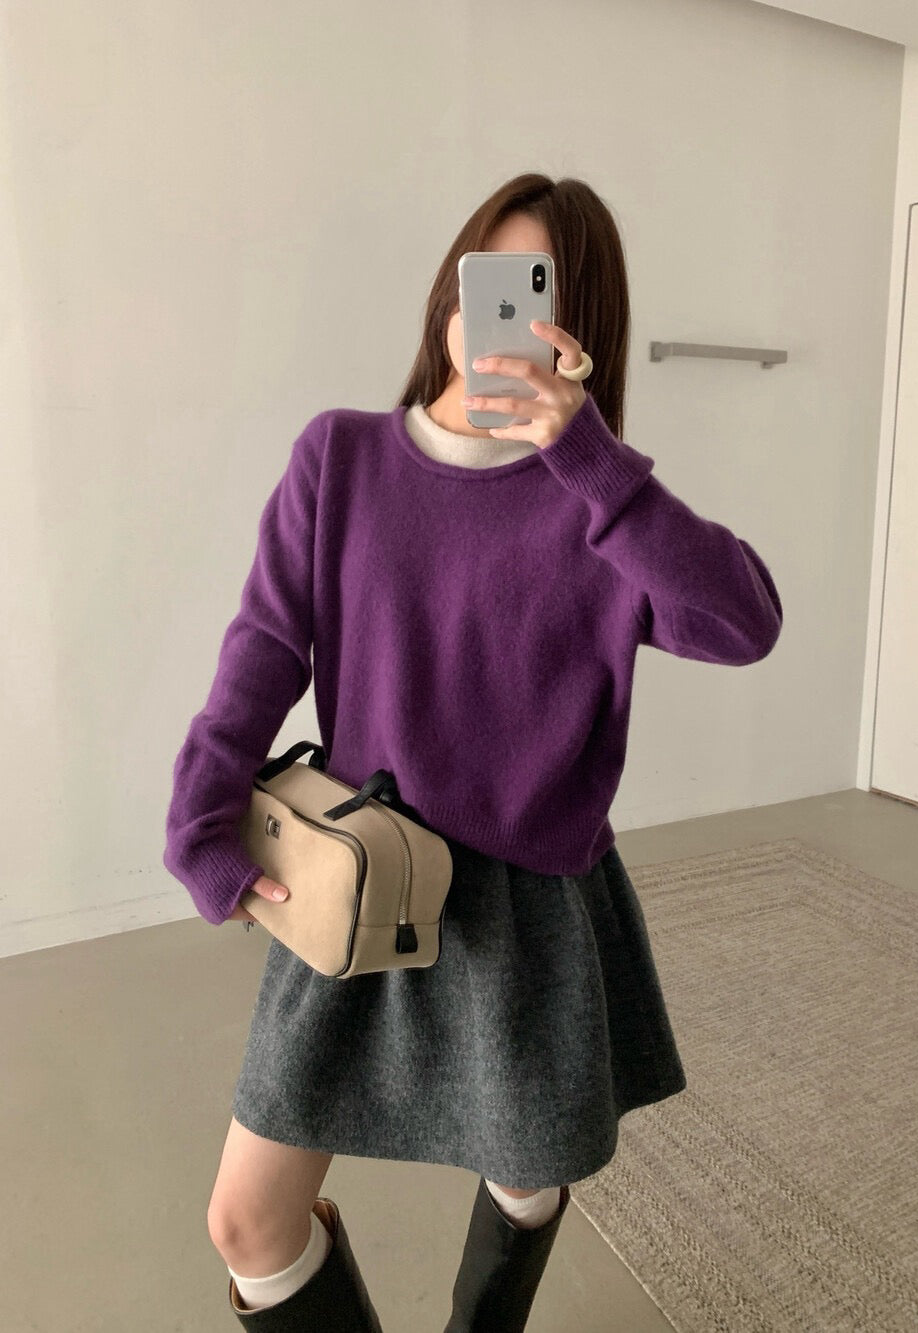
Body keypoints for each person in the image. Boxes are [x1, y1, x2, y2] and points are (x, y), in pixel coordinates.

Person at [163, 171, 783, 1331]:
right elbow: (263, 646)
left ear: (576, 330)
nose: (490, 312)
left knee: (527, 1175)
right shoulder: (341, 457)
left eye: (530, 290)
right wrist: (198, 819)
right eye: (480, 277)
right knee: (247, 1220)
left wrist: (588, 457)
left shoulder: (599, 502)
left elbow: (742, 623)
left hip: (528, 917)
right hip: (362, 883)